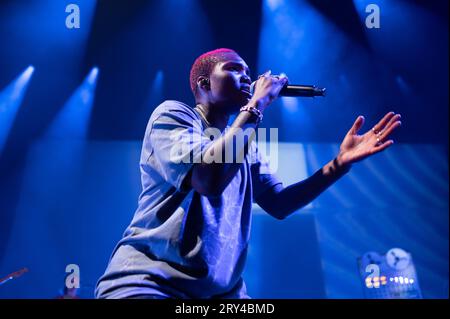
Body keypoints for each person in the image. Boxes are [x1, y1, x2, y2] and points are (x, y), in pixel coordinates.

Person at [95, 48, 401, 299]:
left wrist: (339, 164)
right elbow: (208, 180)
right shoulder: (174, 115)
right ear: (203, 84)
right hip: (150, 284)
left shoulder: (244, 145)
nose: (247, 77)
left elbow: (279, 203)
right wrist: (256, 106)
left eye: (247, 72)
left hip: (220, 295)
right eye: (233, 69)